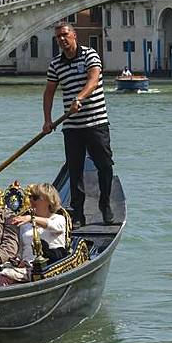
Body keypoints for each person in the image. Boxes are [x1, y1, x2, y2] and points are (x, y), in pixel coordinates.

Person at [42, 21, 114, 228]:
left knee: (105, 166)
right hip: (72, 126)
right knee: (75, 171)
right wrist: (47, 120)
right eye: (58, 37)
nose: (62, 39)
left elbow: (93, 80)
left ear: (74, 35)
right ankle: (79, 213)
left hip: (96, 122)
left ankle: (105, 204)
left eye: (65, 35)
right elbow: (49, 93)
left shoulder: (90, 55)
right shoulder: (56, 64)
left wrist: (79, 98)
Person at [0, 183, 69, 286]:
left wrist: (31, 219)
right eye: (30, 197)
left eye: (35, 197)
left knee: (4, 275)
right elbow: (21, 250)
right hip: (27, 266)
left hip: (50, 267)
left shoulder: (59, 219)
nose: (30, 200)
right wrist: (19, 260)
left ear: (48, 200)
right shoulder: (25, 224)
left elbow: (53, 226)